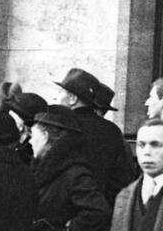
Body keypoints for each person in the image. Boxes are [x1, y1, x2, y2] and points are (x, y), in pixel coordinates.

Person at [53, 67, 137, 203]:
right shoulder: (112, 130)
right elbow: (121, 178)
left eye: (60, 91)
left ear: (73, 99)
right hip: (100, 212)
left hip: (64, 213)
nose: (55, 96)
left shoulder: (61, 127)